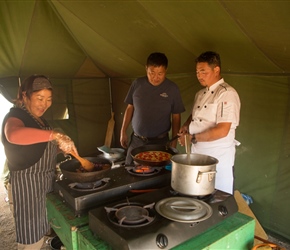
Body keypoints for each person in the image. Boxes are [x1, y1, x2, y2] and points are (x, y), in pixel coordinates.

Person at [1, 74, 78, 250]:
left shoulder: (41, 121)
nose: (44, 104)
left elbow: (38, 148)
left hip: (44, 186)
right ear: (25, 96)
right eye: (39, 98)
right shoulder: (15, 116)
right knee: (31, 241)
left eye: (49, 99)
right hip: (27, 190)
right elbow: (13, 135)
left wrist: (59, 148)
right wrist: (54, 135)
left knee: (44, 232)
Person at [178, 51, 241, 194]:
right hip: (197, 152)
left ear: (216, 70)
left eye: (203, 71)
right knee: (197, 192)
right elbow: (195, 114)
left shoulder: (227, 93)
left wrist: (192, 138)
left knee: (217, 196)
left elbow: (222, 130)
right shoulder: (200, 94)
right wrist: (187, 126)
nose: (199, 75)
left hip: (217, 157)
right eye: (197, 72)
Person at [120, 52, 185, 164]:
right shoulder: (137, 84)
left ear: (166, 70)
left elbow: (176, 117)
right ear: (146, 69)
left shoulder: (172, 89)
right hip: (137, 141)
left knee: (157, 177)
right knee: (129, 170)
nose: (155, 78)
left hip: (160, 143)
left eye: (160, 73)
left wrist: (173, 145)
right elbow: (130, 107)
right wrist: (123, 131)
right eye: (152, 73)